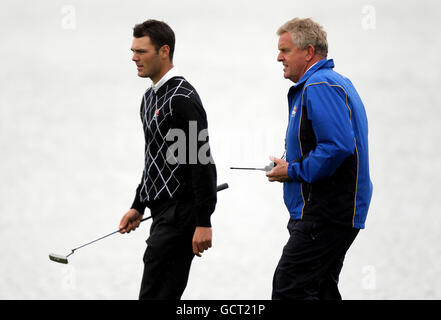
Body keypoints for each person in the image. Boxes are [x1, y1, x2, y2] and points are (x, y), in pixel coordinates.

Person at [266, 18, 373, 300]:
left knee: (289, 286)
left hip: (326, 210)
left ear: (309, 52)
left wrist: (294, 170)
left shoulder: (320, 85)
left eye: (285, 51)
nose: (279, 57)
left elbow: (337, 147)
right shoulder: (331, 82)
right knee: (319, 290)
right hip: (330, 210)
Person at [118, 19, 217, 300]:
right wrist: (138, 205)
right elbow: (154, 159)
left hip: (181, 216)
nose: (134, 58)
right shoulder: (149, 98)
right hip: (161, 214)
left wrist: (204, 221)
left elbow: (201, 162)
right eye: (133, 51)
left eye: (141, 51)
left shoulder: (181, 98)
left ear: (164, 51)